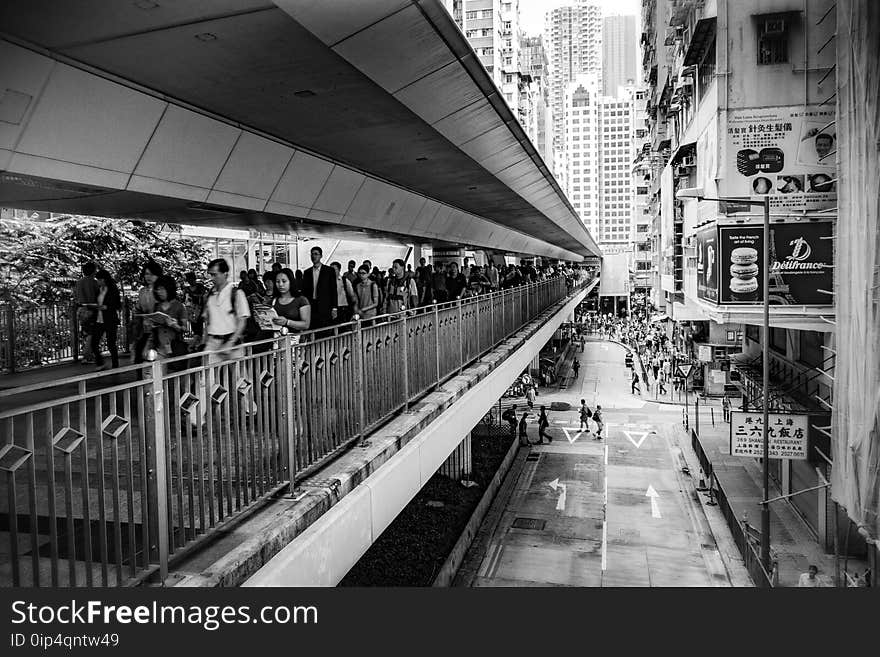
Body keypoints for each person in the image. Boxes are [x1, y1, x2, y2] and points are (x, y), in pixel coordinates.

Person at [201, 258, 250, 363]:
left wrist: (230, 342)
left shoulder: (236, 293)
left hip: (232, 341)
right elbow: (207, 320)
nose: (212, 278)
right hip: (213, 342)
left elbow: (242, 320)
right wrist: (203, 340)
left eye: (215, 274)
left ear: (225, 274)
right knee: (207, 378)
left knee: (240, 378)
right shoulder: (209, 295)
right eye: (210, 274)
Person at [148, 275, 188, 368]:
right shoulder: (156, 307)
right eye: (157, 289)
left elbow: (184, 328)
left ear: (169, 289)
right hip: (159, 348)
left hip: (175, 348)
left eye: (162, 289)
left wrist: (174, 325)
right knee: (158, 374)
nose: (159, 292)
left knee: (176, 376)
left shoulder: (179, 306)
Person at [299, 246, 337, 330]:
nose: (313, 256)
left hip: (325, 305)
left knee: (325, 329)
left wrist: (334, 308)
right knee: (313, 328)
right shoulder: (307, 272)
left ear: (321, 256)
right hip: (312, 305)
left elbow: (333, 290)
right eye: (312, 254)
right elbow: (304, 291)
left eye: (316, 254)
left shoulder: (329, 271)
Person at [132, 260, 162, 364]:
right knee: (139, 356)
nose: (148, 277)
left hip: (158, 329)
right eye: (146, 274)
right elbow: (138, 308)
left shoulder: (160, 291)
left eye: (152, 274)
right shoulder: (142, 291)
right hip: (144, 329)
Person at [92, 269, 121, 370]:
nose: (97, 282)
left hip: (110, 319)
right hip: (99, 319)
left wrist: (107, 307)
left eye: (99, 280)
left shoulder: (112, 289)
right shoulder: (99, 290)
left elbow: (117, 304)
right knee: (94, 342)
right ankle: (100, 362)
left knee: (111, 343)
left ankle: (115, 364)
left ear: (103, 280)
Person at [75, 262, 100, 364]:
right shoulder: (92, 282)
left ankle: (88, 354)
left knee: (88, 333)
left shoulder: (79, 282)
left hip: (81, 310)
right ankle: (87, 356)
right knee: (92, 333)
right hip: (90, 309)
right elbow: (93, 297)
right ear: (93, 270)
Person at [271, 268, 311, 334]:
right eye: (277, 282)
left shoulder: (301, 300)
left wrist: (287, 322)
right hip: (275, 340)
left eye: (284, 281)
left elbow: (306, 324)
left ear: (291, 282)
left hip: (295, 340)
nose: (280, 284)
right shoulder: (273, 300)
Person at [182, 272, 207, 339]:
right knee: (194, 328)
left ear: (194, 279)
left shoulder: (200, 286)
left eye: (191, 279)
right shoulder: (186, 289)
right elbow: (184, 300)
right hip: (191, 312)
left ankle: (198, 340)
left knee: (199, 329)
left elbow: (203, 297)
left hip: (199, 311)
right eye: (188, 279)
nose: (190, 281)